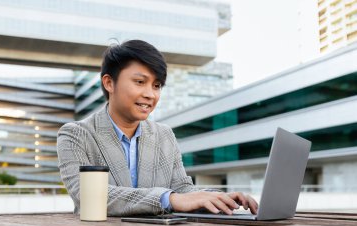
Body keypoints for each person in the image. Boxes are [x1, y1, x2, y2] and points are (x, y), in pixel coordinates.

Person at [57, 39, 258, 216]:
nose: (150, 95)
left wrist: (221, 198)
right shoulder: (75, 135)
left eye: (157, 85)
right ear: (109, 83)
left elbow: (182, 190)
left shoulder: (164, 135)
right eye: (139, 82)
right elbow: (89, 196)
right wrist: (167, 199)